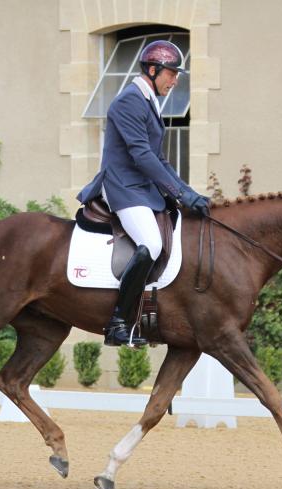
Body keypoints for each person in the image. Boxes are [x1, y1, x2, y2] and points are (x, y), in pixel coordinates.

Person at [77, 40, 210, 346]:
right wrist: (179, 193)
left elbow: (160, 159)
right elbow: (142, 156)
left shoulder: (148, 101)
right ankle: (118, 322)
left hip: (141, 188)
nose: (175, 81)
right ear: (152, 70)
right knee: (151, 242)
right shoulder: (129, 101)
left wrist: (187, 192)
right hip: (123, 187)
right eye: (171, 74)